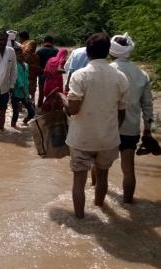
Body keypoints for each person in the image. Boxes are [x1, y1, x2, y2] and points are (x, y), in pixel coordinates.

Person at [63, 33, 129, 219]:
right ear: (108, 52)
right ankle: (100, 207)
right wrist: (112, 130)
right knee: (102, 177)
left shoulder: (80, 75)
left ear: (88, 52)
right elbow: (121, 112)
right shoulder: (120, 77)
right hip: (108, 138)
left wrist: (62, 98)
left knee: (79, 181)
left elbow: (73, 110)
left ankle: (80, 220)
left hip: (82, 138)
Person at [109, 33, 156, 203]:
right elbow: (148, 106)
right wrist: (148, 131)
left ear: (111, 51)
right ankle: (129, 203)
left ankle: (98, 198)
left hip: (109, 126)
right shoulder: (142, 74)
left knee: (100, 166)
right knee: (128, 170)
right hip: (131, 127)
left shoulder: (109, 71)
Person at [11, 47, 35, 127]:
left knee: (32, 112)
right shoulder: (14, 66)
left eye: (20, 53)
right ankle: (12, 130)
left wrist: (29, 92)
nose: (19, 55)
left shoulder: (26, 65)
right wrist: (26, 95)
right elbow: (19, 82)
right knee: (16, 113)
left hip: (25, 92)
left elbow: (26, 80)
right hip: (16, 92)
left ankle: (24, 123)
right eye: (16, 54)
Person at [36, 35, 59, 108]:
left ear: (44, 41)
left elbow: (37, 64)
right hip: (53, 75)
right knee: (52, 93)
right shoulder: (56, 51)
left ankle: (39, 108)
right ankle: (51, 109)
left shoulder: (39, 51)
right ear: (52, 42)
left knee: (41, 94)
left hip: (42, 74)